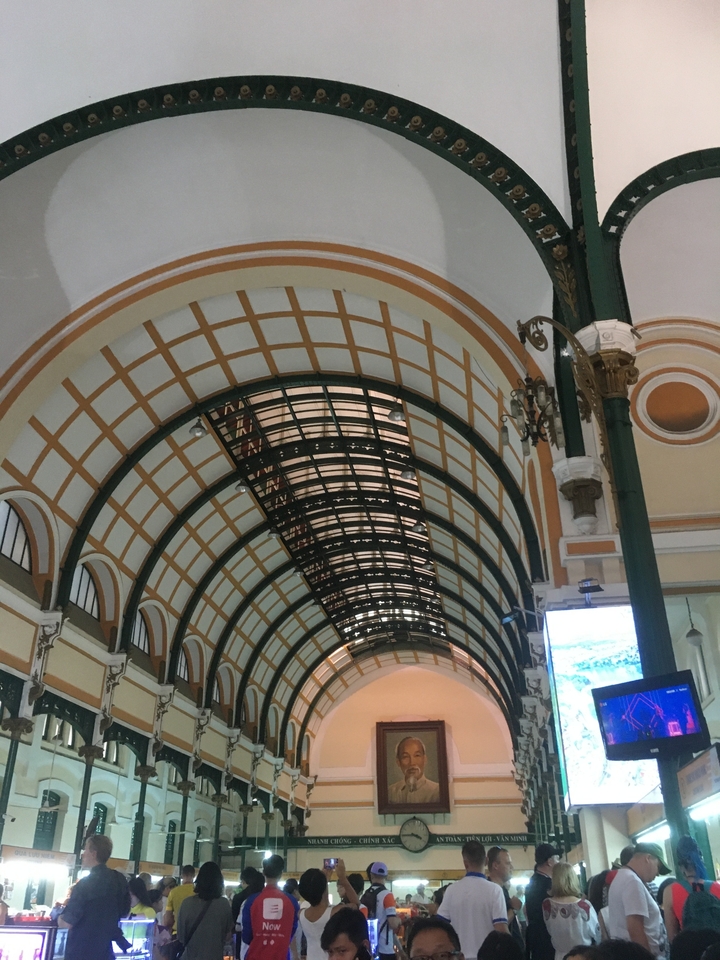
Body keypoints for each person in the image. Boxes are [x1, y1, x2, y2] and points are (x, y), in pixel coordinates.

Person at [57, 834, 130, 960]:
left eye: (85, 850)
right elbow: (124, 912)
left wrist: (59, 917)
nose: (83, 855)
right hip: (105, 951)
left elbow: (67, 923)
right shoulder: (119, 880)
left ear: (94, 854)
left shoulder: (84, 885)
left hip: (81, 951)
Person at [437, 840, 508, 958]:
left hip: (459, 956)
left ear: (465, 863)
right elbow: (501, 929)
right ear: (486, 861)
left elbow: (440, 925)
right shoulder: (495, 890)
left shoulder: (452, 890)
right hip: (487, 956)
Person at [607, 842, 671, 959]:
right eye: (658, 866)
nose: (657, 873)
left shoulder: (623, 877)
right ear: (648, 858)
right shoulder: (632, 881)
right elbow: (635, 928)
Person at [662, 836, 720, 942]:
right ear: (701, 861)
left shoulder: (669, 892)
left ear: (680, 867)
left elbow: (672, 938)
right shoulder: (717, 887)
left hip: (690, 950)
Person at [299, 859, 360, 960]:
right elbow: (356, 904)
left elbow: (318, 898)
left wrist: (324, 880)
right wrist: (343, 878)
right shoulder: (335, 912)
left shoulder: (301, 914)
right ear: (323, 889)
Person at [242, 854, 299, 960]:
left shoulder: (251, 901)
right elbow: (291, 932)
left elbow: (246, 936)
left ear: (263, 873)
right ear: (281, 874)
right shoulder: (292, 902)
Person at [542, 861, 600, 960]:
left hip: (560, 955)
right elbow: (597, 933)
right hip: (583, 956)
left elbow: (549, 930)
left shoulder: (547, 904)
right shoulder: (584, 905)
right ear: (573, 878)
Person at [177, 860, 233, 960]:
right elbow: (228, 936)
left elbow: (181, 937)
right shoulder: (224, 904)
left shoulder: (186, 904)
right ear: (219, 882)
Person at [526, 844, 562, 960]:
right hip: (547, 942)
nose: (559, 862)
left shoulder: (534, 881)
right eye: (557, 858)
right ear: (549, 862)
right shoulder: (547, 884)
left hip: (536, 941)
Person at [359, 861, 400, 960]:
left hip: (369, 948)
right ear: (386, 876)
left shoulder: (365, 895)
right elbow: (393, 923)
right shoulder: (387, 895)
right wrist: (400, 920)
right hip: (385, 949)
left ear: (371, 875)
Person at [487, 846, 524, 947]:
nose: (512, 868)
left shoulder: (502, 889)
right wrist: (514, 909)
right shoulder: (491, 890)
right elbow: (497, 925)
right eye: (508, 863)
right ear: (495, 865)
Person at [388, 736, 441, 804]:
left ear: (424, 759)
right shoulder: (391, 792)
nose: (412, 763)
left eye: (417, 755)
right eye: (405, 757)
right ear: (398, 762)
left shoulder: (437, 791)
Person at [232, 866, 264, 959]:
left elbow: (235, 924)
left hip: (243, 941)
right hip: (262, 940)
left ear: (244, 881)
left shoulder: (238, 898)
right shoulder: (263, 897)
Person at [163, 863, 196, 936]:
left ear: (182, 875)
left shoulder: (173, 892)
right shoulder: (198, 892)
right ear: (194, 876)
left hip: (178, 932)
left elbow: (168, 917)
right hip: (194, 934)